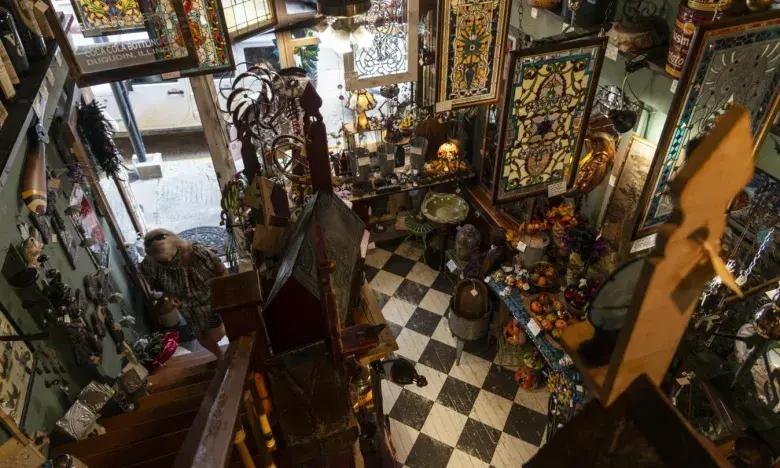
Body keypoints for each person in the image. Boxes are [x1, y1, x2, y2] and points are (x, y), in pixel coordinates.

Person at [140, 229, 227, 358]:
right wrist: (168, 295)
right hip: (187, 304)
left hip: (210, 296)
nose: (168, 263)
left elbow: (222, 272)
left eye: (170, 259)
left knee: (219, 332)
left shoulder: (198, 253)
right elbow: (153, 282)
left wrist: (225, 293)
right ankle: (219, 355)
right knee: (201, 335)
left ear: (176, 245)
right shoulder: (151, 262)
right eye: (163, 262)